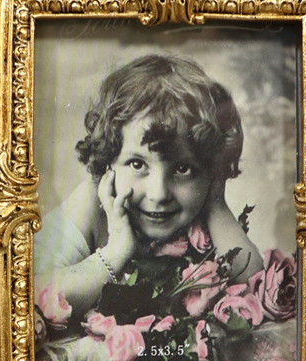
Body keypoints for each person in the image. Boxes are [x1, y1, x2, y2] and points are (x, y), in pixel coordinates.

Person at [35, 54, 263, 318]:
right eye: (137, 164)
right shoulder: (91, 203)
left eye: (183, 169)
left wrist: (215, 203)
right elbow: (31, 291)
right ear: (109, 161)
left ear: (209, 172)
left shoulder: (205, 209)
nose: (159, 193)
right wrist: (115, 252)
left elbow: (255, 289)